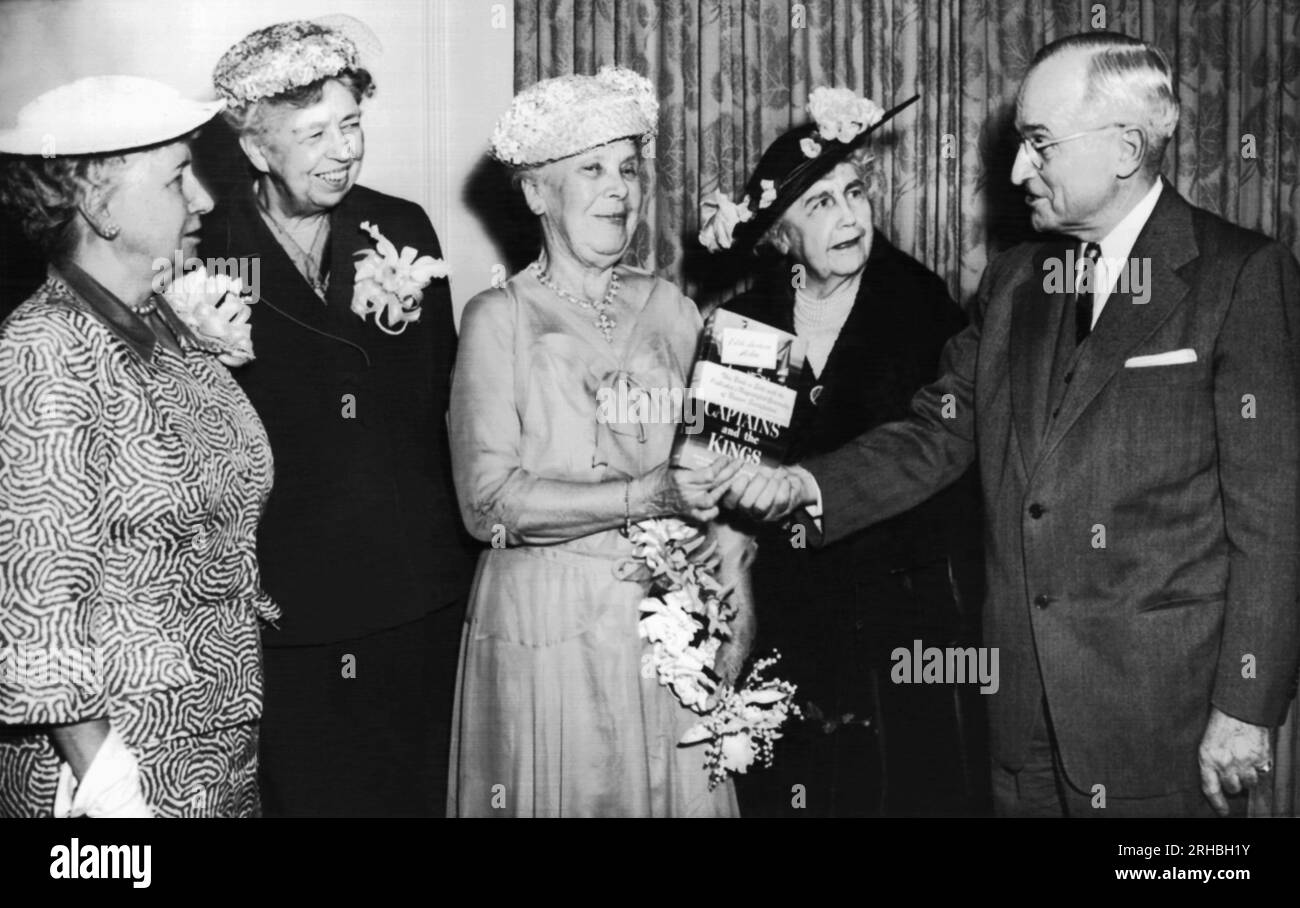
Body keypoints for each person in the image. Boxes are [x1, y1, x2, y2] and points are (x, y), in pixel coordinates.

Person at [726, 32, 1300, 818]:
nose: (1016, 171)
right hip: (1016, 720)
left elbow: (1276, 520)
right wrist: (802, 483)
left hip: (1164, 724)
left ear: (1126, 147)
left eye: (1038, 144)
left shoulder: (1242, 277)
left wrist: (1246, 705)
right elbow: (939, 430)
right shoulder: (1016, 280)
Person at [447, 66, 749, 817]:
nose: (619, 190)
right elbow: (487, 505)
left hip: (667, 623)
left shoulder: (671, 306)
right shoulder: (498, 317)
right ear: (536, 192)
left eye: (629, 169)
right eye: (591, 170)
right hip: (547, 623)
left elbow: (715, 465)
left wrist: (736, 557)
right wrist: (646, 496)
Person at [201, 18, 477, 817]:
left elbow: (444, 399)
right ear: (256, 149)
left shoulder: (402, 227)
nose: (343, 149)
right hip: (289, 603)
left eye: (351, 123)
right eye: (314, 132)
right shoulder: (205, 245)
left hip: (416, 588)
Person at [697, 89, 986, 816]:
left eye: (854, 191)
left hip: (902, 619)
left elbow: (941, 458)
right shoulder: (745, 322)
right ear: (778, 239)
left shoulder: (921, 304)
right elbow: (718, 477)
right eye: (821, 204)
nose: (851, 216)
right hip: (785, 614)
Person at [0, 76, 275, 817]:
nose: (205, 200)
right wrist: (103, 776)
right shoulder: (44, 348)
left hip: (209, 744)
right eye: (178, 175)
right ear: (98, 203)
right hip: (114, 766)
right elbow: (35, 600)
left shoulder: (161, 322)